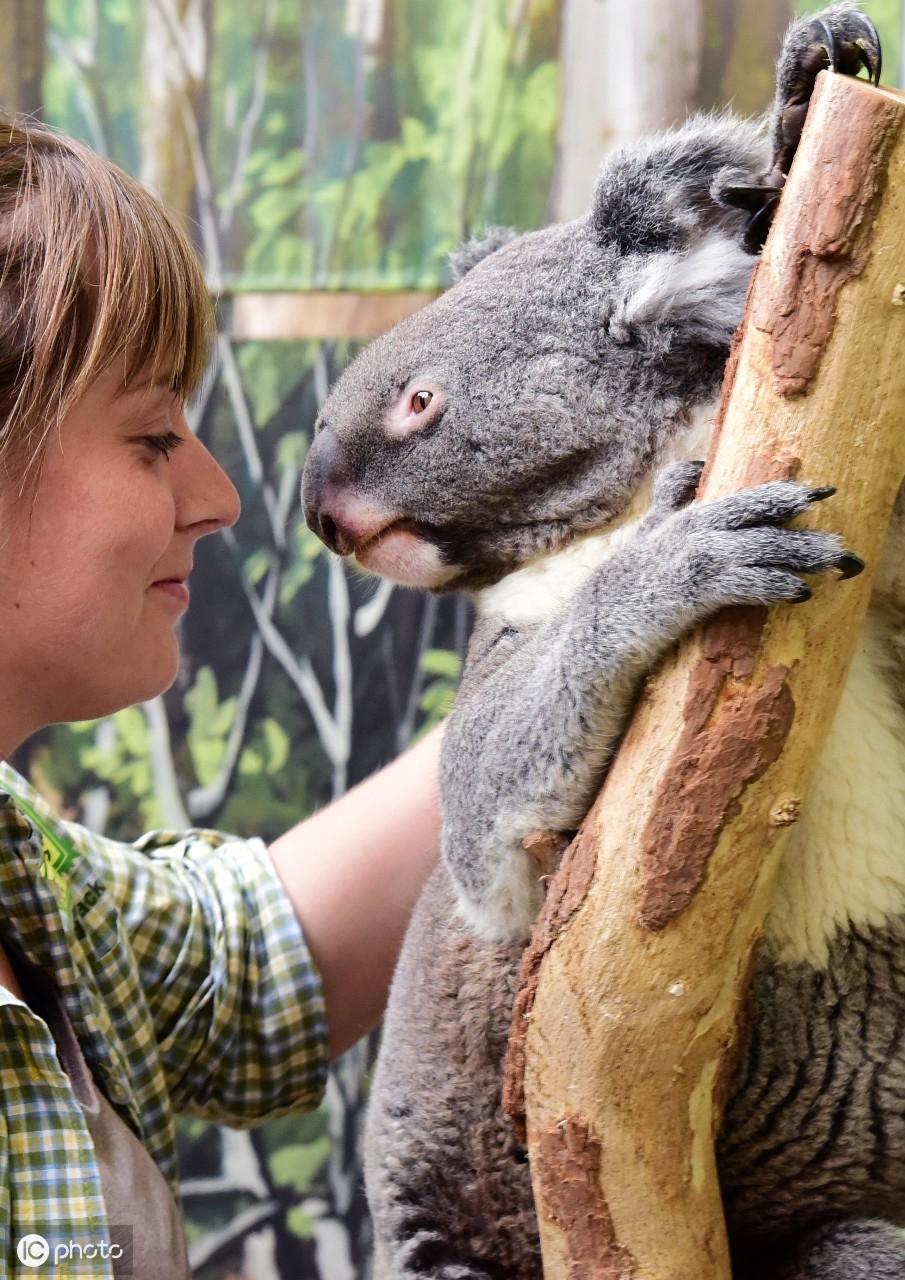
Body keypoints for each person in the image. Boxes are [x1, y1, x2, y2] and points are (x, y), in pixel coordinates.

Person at [0, 116, 442, 1277]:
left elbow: (251, 965)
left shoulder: (27, 881)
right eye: (152, 436)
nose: (220, 494)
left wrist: (575, 660)